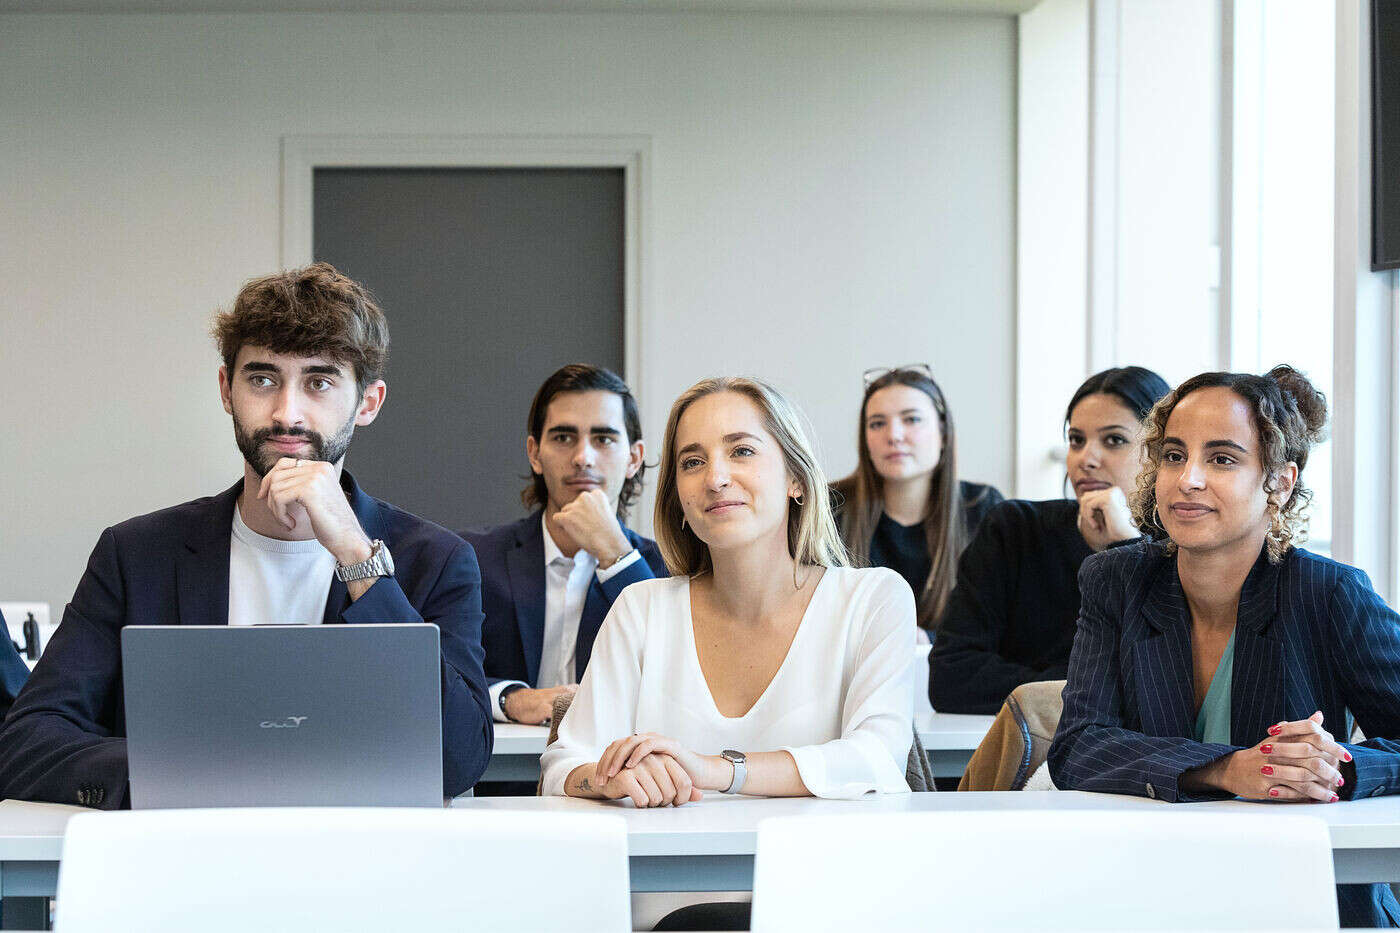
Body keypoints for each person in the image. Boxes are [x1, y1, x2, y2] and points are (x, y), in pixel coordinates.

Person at [0, 263, 494, 808]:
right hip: (183, 864)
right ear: (226, 390)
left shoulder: (437, 560)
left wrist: (357, 557)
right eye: (262, 379)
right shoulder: (136, 553)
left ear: (368, 402)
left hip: (359, 868)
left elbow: (460, 757)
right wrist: (183, 769)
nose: (287, 413)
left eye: (319, 382)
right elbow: (26, 741)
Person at [1049, 365, 1400, 929]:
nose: (1187, 479)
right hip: (1148, 894)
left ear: (1279, 483)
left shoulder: (1329, 593)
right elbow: (1078, 748)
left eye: (1222, 459)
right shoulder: (1114, 581)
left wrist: (1333, 768)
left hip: (1305, 900)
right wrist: (1228, 769)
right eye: (1172, 455)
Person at [539, 375, 914, 807]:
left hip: (819, 870)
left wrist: (712, 769)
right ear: (677, 497)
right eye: (692, 462)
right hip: (663, 869)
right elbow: (564, 763)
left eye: (741, 451)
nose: (715, 478)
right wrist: (604, 779)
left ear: (796, 478)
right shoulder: (640, 607)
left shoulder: (874, 599)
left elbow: (877, 757)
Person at [928, 366, 1170, 714]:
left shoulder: (1178, 551)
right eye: (1076, 440)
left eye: (1114, 440)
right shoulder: (1013, 529)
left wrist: (1126, 549)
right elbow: (951, 679)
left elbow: (1155, 685)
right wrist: (1089, 684)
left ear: (1158, 452)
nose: (1086, 458)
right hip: (1007, 751)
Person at [462, 364, 665, 727]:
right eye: (563, 438)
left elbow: (671, 680)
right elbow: (443, 672)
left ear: (634, 458)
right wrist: (510, 698)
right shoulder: (473, 559)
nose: (583, 457)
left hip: (616, 776)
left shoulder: (666, 571)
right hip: (499, 778)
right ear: (535, 453)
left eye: (603, 439)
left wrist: (615, 554)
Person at [832, 365, 1003, 636]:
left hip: (953, 674)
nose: (894, 435)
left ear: (943, 433)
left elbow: (999, 624)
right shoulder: (830, 508)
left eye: (911, 419)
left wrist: (927, 643)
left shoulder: (982, 507)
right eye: (877, 423)